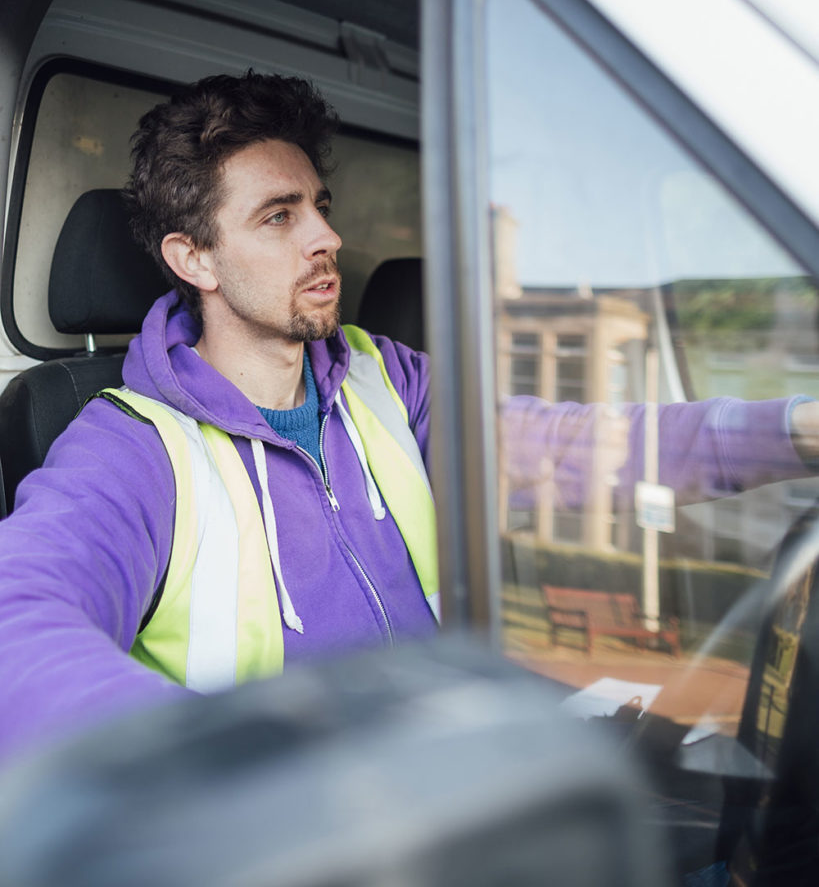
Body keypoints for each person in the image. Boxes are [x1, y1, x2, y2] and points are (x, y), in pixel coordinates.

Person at [0, 71, 815, 763]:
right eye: (279, 216)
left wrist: (791, 430)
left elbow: (579, 448)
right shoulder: (132, 447)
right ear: (194, 258)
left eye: (319, 205)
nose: (327, 235)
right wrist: (226, 772)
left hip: (460, 768)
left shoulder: (384, 378)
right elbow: (19, 619)